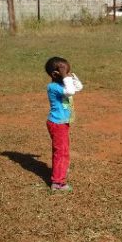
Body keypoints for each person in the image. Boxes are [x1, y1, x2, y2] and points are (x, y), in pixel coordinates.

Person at [45, 57, 83, 192]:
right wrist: (65, 77)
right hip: (57, 124)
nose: (67, 75)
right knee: (60, 152)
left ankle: (60, 170)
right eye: (64, 72)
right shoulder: (53, 87)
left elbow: (78, 87)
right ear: (55, 74)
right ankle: (57, 183)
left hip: (62, 124)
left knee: (64, 150)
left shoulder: (62, 84)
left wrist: (71, 76)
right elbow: (71, 91)